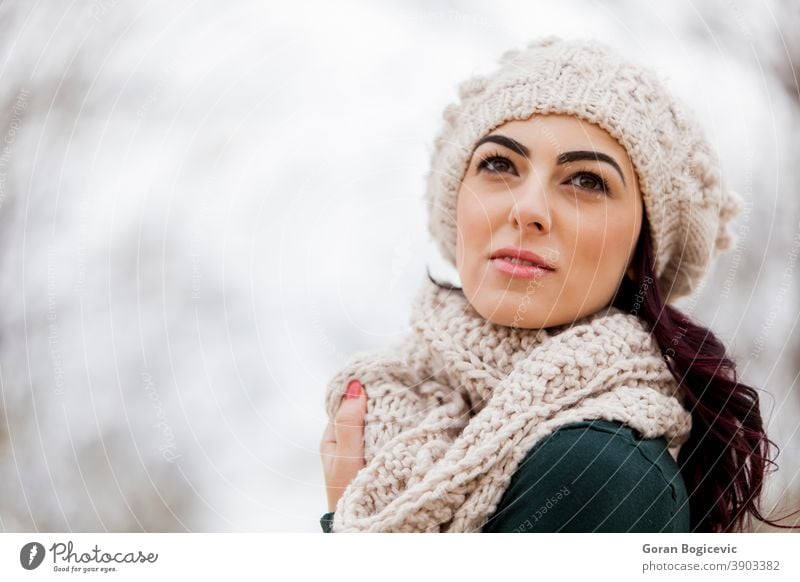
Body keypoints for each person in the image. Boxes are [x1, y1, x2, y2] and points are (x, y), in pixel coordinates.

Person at [318, 36, 799, 533]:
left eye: (586, 181)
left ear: (641, 251)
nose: (526, 209)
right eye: (499, 165)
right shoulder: (397, 409)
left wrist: (343, 523)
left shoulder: (598, 471)